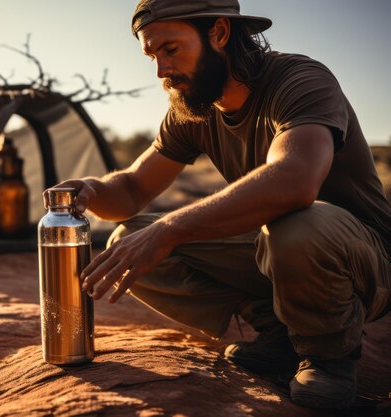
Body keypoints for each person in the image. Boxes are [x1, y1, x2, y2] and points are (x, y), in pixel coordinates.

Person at [46, 0, 391, 409]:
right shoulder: (193, 107)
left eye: (170, 50)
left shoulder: (300, 79)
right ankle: (281, 332)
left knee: (298, 225)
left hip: (363, 259)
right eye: (152, 55)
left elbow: (296, 181)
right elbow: (134, 189)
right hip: (279, 249)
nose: (161, 71)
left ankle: (329, 356)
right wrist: (92, 188)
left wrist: (170, 229)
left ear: (220, 34)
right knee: (131, 239)